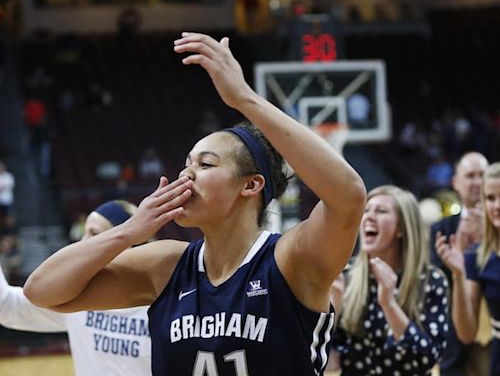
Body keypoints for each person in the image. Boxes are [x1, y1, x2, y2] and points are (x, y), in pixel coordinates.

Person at [23, 32, 367, 375]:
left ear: (251, 185)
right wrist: (127, 232)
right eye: (186, 164)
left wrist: (245, 99)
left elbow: (348, 195)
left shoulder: (292, 260)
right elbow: (42, 291)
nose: (186, 176)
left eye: (205, 164)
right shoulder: (166, 266)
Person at [0, 200, 152, 376]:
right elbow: (7, 307)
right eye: (84, 233)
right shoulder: (77, 298)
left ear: (126, 244)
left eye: (93, 234)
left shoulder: (161, 302)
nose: (82, 243)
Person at [328, 185, 449, 375]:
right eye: (366, 210)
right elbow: (329, 362)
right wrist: (333, 306)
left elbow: (427, 358)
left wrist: (389, 304)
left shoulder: (430, 280)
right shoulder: (347, 275)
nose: (369, 216)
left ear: (401, 228)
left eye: (381, 211)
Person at [436, 161, 500, 376]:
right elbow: (467, 333)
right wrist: (458, 275)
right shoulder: (477, 257)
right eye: (490, 198)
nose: (497, 206)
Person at [429, 151, 489, 376]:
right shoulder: (440, 229)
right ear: (456, 182)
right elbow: (436, 283)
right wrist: (460, 260)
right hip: (455, 338)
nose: (476, 182)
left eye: (481, 175)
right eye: (470, 175)